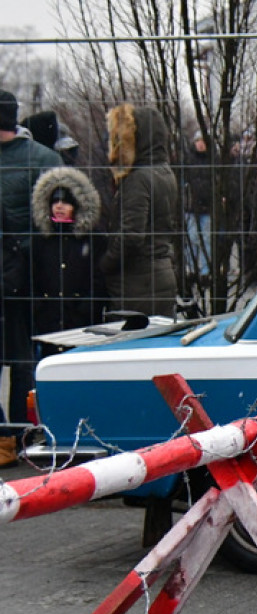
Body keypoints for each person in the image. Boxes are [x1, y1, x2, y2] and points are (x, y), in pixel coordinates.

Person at [0, 89, 61, 467]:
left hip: (16, 274)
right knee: (23, 357)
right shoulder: (46, 159)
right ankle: (20, 435)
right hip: (29, 277)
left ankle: (5, 434)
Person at [101, 103, 179, 316]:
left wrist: (106, 264)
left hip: (138, 282)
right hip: (160, 273)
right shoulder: (164, 172)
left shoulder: (139, 179)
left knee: (132, 344)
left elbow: (131, 236)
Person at [30, 165, 108, 345]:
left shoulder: (93, 239)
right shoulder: (41, 240)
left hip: (83, 322)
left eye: (65, 202)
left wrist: (87, 307)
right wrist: (39, 308)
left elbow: (99, 278)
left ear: (77, 205)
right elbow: (32, 278)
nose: (59, 206)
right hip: (48, 321)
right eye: (55, 202)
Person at [183, 129, 215, 281]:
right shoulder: (188, 160)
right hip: (191, 207)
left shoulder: (214, 160)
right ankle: (190, 269)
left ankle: (205, 272)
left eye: (203, 141)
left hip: (208, 207)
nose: (201, 144)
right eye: (198, 141)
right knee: (191, 238)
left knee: (207, 239)